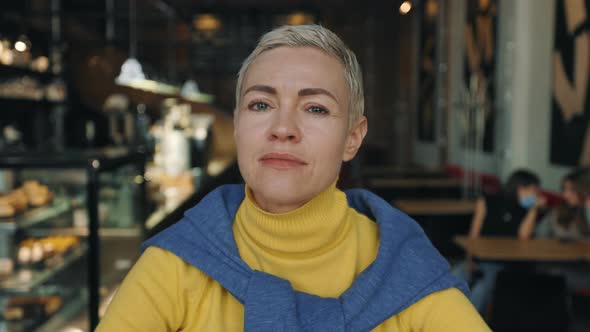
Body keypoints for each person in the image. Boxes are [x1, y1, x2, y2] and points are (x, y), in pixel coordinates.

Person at [97, 25, 489, 331]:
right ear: (237, 127)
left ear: (352, 138)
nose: (283, 128)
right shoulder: (174, 263)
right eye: (261, 104)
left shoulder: (404, 269)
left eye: (315, 108)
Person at [453, 169, 546, 315]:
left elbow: (523, 236)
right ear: (520, 188)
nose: (536, 195)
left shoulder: (527, 211)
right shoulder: (487, 201)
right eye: (534, 191)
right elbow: (474, 234)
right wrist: (470, 258)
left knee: (482, 289)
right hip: (479, 257)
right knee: (452, 278)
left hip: (504, 263)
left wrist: (534, 209)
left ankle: (463, 323)